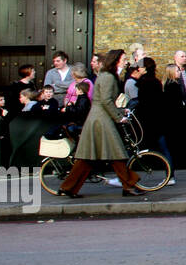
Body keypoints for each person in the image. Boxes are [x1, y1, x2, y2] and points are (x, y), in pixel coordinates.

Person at [57, 49, 142, 198]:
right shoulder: (108, 77)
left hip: (98, 118)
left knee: (88, 157)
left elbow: (105, 101)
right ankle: (128, 185)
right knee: (116, 154)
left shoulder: (106, 75)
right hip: (101, 120)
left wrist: (121, 112)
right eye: (123, 59)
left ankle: (68, 187)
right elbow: (106, 100)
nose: (125, 61)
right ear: (116, 60)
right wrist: (118, 117)